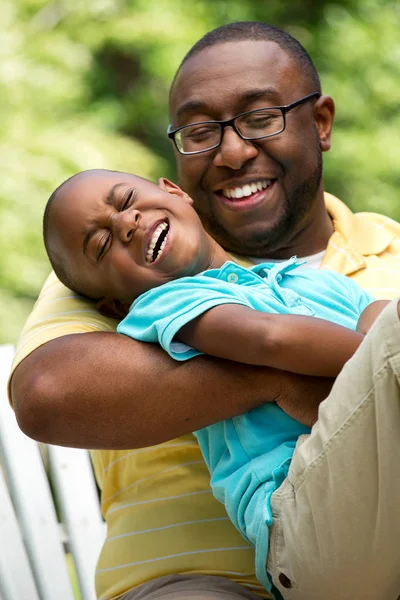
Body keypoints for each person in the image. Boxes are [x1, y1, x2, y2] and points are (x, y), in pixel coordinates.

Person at [9, 21, 400, 600]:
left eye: (261, 118)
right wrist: (288, 377)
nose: (233, 152)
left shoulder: (378, 248)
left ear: (320, 123)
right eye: (200, 131)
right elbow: (46, 392)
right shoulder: (130, 283)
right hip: (205, 579)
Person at [43, 166, 387, 597]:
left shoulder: (303, 280)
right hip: (302, 514)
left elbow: (378, 314)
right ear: (113, 304)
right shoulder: (170, 304)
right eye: (102, 243)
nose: (126, 224)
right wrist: (377, 365)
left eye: (126, 201)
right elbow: (270, 338)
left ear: (176, 192)